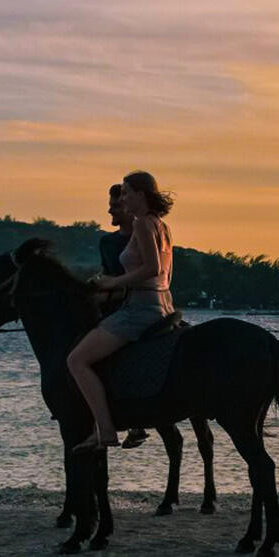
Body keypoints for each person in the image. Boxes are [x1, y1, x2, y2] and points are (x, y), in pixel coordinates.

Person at [67, 171, 175, 453]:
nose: (123, 197)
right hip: (164, 304)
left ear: (141, 194)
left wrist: (111, 283)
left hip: (141, 309)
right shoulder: (160, 225)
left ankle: (105, 430)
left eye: (126, 192)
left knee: (76, 360)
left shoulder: (141, 223)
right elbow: (162, 274)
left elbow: (152, 269)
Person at [99, 183, 150, 450]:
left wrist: (113, 284)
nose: (111, 209)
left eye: (116, 205)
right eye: (111, 204)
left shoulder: (144, 234)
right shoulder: (107, 242)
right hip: (112, 301)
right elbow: (108, 272)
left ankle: (131, 420)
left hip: (135, 303)